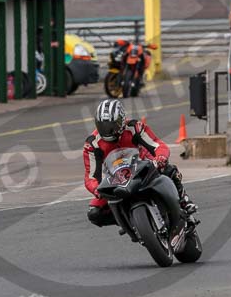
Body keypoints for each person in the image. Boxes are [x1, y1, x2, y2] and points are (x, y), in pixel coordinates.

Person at [83, 98, 197, 228]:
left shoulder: (134, 127)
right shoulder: (92, 143)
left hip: (142, 167)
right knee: (94, 214)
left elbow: (157, 144)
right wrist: (96, 189)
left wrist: (160, 158)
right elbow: (90, 176)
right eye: (103, 126)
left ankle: (184, 202)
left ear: (121, 120)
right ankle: (129, 221)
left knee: (169, 170)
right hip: (115, 179)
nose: (108, 130)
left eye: (112, 125)